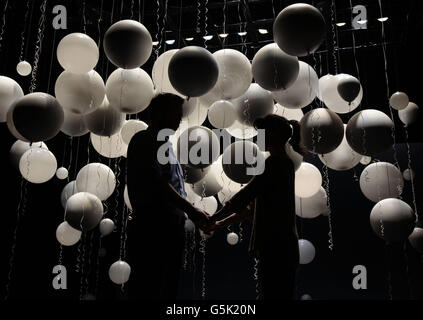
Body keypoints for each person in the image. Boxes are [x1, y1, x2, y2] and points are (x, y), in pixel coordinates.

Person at [204, 114, 305, 300]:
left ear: (271, 134)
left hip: (276, 245)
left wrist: (213, 217)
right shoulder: (285, 164)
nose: (257, 138)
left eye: (260, 133)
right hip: (284, 245)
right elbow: (251, 209)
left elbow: (244, 197)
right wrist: (219, 223)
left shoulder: (273, 164)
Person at [126, 93, 209, 300]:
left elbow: (169, 185)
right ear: (160, 114)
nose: (179, 118)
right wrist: (192, 210)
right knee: (151, 286)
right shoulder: (145, 140)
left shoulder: (166, 147)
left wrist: (188, 213)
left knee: (167, 287)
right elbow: (158, 183)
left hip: (170, 226)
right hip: (154, 225)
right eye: (176, 113)